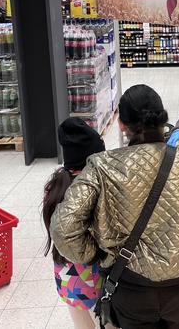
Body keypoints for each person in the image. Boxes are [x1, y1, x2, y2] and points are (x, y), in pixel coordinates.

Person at [50, 85, 179, 329]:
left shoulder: (102, 166)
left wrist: (93, 253)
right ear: (162, 118)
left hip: (130, 282)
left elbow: (63, 228)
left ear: (122, 125)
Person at [42, 117, 106, 329]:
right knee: (105, 319)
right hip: (95, 270)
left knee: (82, 323)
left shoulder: (56, 184)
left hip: (65, 272)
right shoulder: (93, 187)